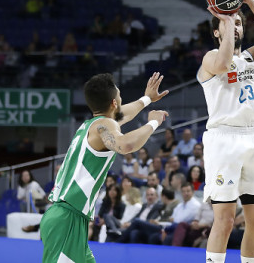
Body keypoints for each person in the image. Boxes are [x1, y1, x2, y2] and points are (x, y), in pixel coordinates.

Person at [40, 72, 169, 263]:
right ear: (114, 103)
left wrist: (147, 98)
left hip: (68, 217)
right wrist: (154, 122)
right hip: (67, 219)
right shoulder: (104, 126)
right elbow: (126, 145)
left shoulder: (92, 125)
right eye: (119, 97)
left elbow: (124, 113)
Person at [198, 0, 254, 262]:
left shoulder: (252, 57)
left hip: (253, 137)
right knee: (225, 220)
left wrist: (248, 0)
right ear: (217, 32)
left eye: (239, 22)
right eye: (229, 22)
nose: (237, 24)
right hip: (224, 139)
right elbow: (223, 64)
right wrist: (225, 20)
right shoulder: (210, 59)